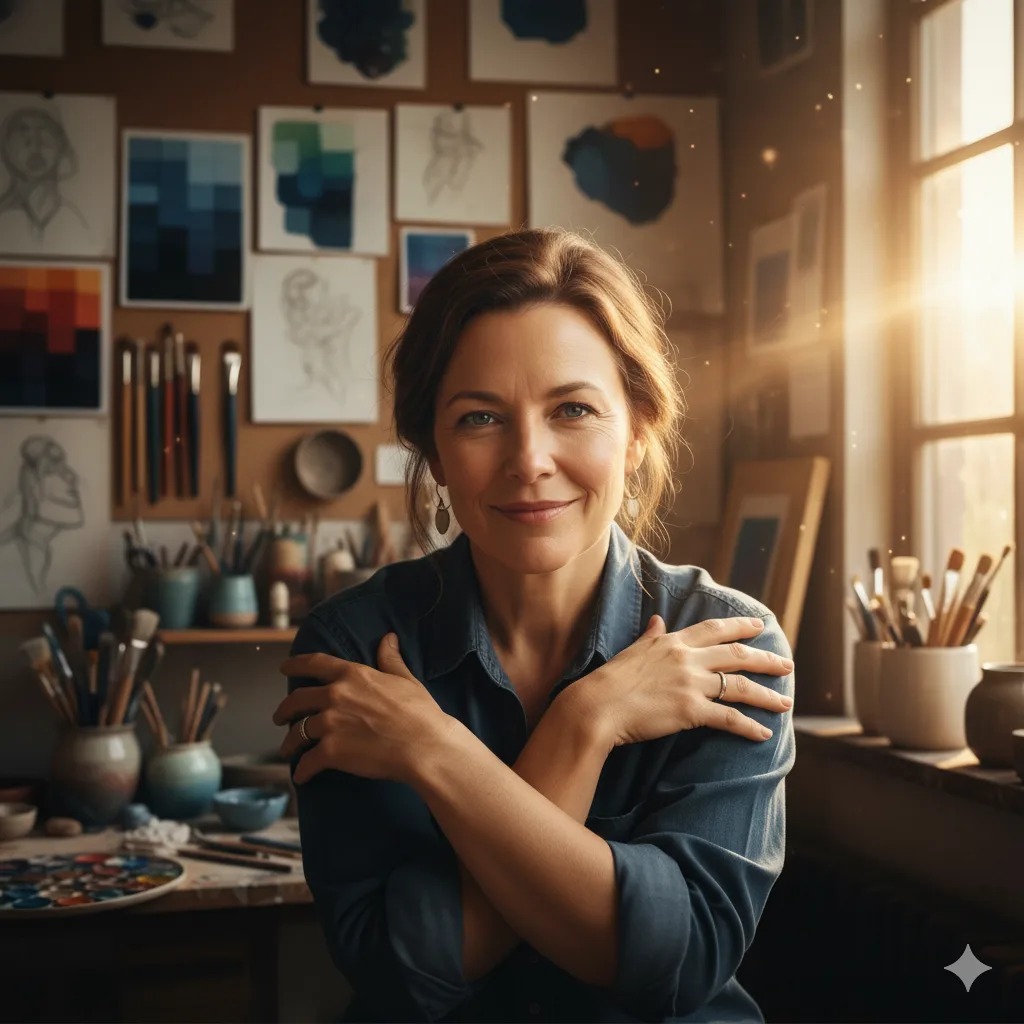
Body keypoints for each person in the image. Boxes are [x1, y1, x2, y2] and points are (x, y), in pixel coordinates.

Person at [273, 228, 796, 1023]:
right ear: (435, 454)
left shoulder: (728, 644)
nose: (529, 459)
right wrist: (586, 729)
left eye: (574, 410)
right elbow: (403, 975)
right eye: (480, 419)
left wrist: (434, 750)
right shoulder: (350, 650)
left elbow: (674, 965)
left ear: (638, 430)